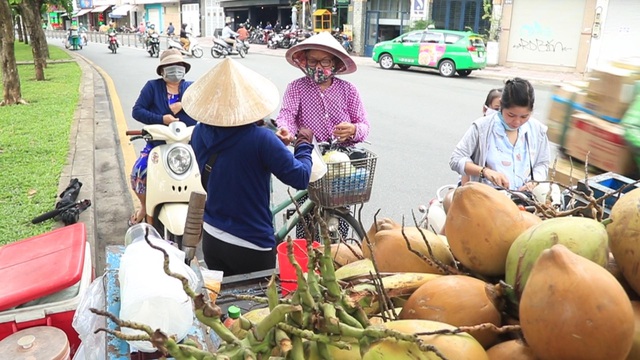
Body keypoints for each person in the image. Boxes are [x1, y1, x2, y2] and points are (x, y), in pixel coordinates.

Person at [184, 58, 313, 276]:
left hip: (213, 237)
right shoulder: (261, 139)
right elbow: (300, 177)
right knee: (259, 306)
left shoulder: (198, 132)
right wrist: (304, 145)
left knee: (225, 304)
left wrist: (273, 143)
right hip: (252, 245)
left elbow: (234, 158)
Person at [275, 31, 370, 238]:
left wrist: (353, 130)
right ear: (304, 61)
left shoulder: (348, 90)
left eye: (325, 61)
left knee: (340, 218)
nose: (318, 66)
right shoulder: (296, 88)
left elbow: (363, 125)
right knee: (306, 221)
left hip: (341, 164)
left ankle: (339, 251)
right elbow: (287, 116)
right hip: (309, 160)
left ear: (335, 63)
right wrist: (285, 131)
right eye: (312, 60)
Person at [128, 49, 197, 226]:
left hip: (189, 146)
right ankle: (144, 206)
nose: (176, 69)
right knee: (139, 172)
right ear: (162, 70)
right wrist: (162, 119)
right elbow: (137, 111)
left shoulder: (191, 88)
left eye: (179, 65)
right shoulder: (152, 87)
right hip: (158, 144)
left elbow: (204, 111)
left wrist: (185, 104)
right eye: (171, 66)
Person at [449, 78, 550, 192]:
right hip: (486, 199)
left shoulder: (537, 130)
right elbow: (456, 159)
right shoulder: (482, 127)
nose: (517, 122)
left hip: (524, 201)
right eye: (511, 115)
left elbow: (542, 163)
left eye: (524, 117)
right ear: (501, 105)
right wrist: (484, 172)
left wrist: (533, 182)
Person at [458, 88, 504, 186]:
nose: (500, 113)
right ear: (485, 108)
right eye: (496, 109)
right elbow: (463, 161)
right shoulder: (479, 129)